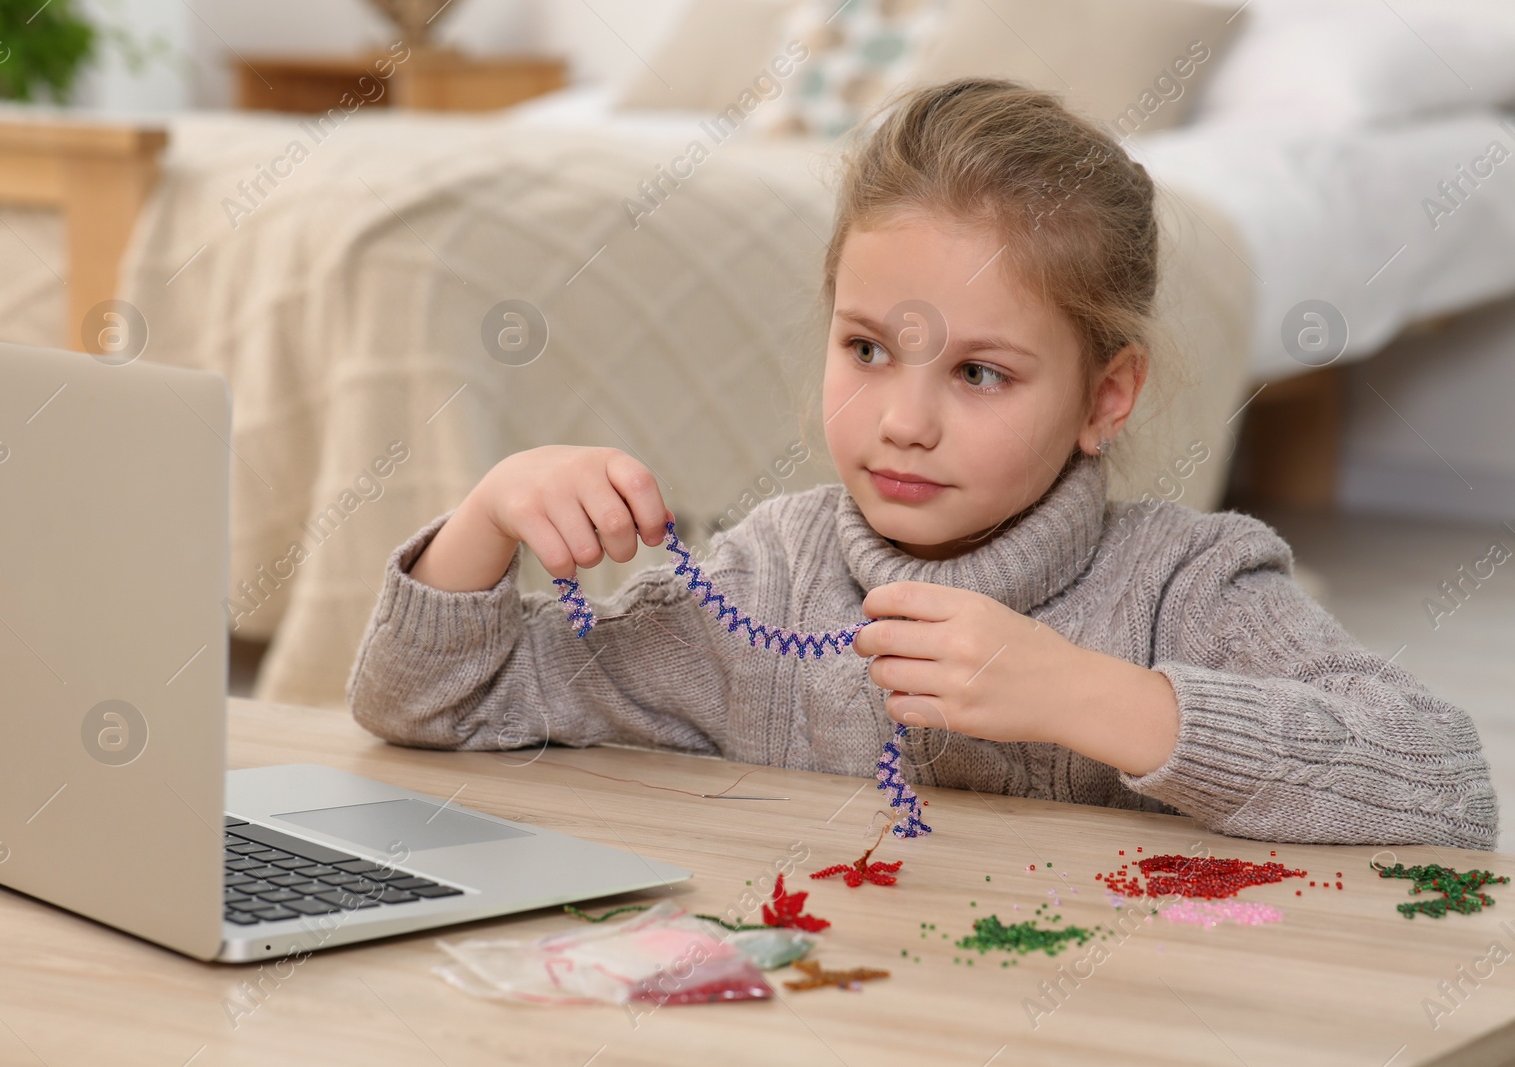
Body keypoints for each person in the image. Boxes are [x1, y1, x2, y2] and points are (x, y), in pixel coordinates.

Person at [346, 78, 1497, 849]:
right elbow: (434, 707)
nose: (903, 420)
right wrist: (487, 516)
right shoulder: (763, 582)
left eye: (980, 373)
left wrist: (1098, 699)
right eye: (865, 350)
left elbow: (1445, 783)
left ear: (1106, 396)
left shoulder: (1187, 585)